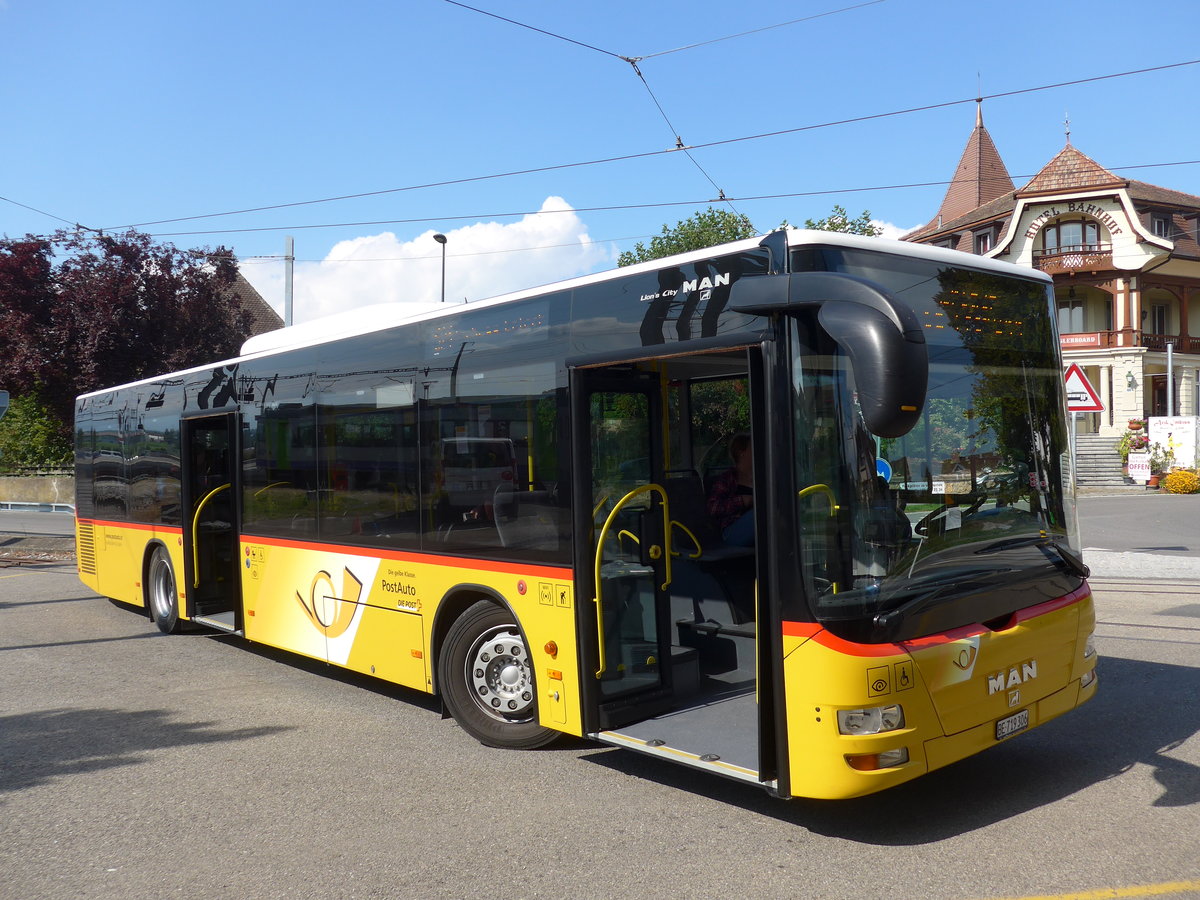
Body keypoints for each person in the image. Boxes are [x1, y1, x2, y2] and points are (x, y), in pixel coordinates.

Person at [707, 433, 754, 546]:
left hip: (758, 528)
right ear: (741, 453)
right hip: (732, 530)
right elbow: (713, 508)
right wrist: (742, 501)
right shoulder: (727, 478)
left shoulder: (763, 477)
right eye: (753, 448)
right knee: (761, 514)